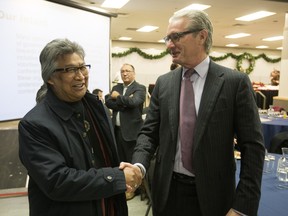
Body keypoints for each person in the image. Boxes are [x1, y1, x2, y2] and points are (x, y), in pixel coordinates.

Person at [129, 10, 265, 216]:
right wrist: (139, 165)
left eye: (176, 37)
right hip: (167, 194)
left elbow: (253, 147)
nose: (169, 44)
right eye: (167, 38)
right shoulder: (164, 83)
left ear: (202, 36)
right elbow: (149, 133)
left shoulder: (234, 83)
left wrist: (242, 206)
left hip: (215, 198)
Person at [18, 38, 142, 216]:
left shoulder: (95, 106)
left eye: (82, 67)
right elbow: (57, 182)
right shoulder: (34, 124)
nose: (81, 76)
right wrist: (115, 177)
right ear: (50, 77)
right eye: (70, 69)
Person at [105, 63, 146, 200]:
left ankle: (135, 189)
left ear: (133, 73)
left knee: (131, 161)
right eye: (122, 71)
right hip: (117, 131)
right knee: (120, 161)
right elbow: (108, 102)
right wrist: (124, 102)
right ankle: (124, 187)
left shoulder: (140, 88)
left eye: (127, 71)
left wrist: (118, 98)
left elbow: (135, 102)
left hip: (132, 132)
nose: (124, 74)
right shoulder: (117, 87)